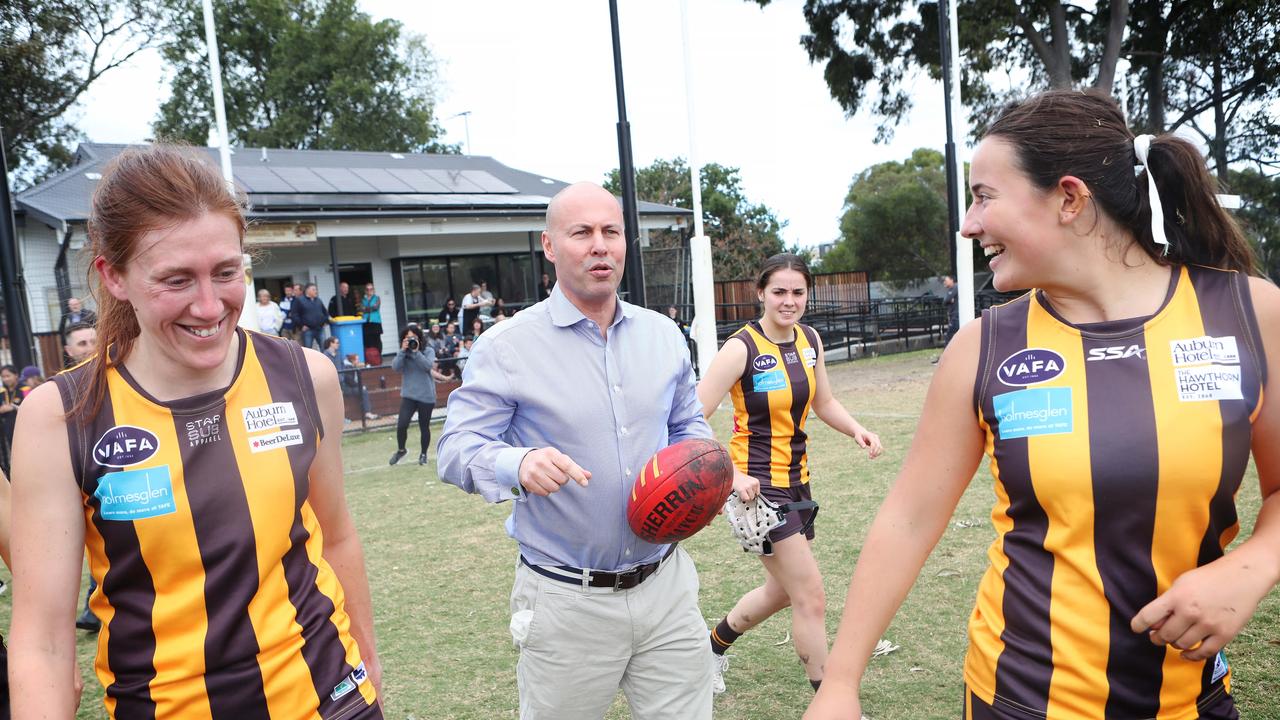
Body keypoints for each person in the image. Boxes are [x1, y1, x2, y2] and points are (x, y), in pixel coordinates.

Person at [807, 90, 1280, 720]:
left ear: (1068, 197)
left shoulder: (1251, 313)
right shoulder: (982, 346)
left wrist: (1253, 566)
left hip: (1191, 702)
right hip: (1019, 700)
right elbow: (909, 519)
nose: (969, 224)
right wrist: (840, 683)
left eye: (983, 196)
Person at [8, 144, 383, 719]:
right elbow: (45, 640)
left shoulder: (306, 377)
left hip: (329, 701)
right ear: (114, 275)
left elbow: (335, 538)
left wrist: (369, 670)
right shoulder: (62, 417)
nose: (209, 307)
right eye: (176, 280)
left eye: (226, 273)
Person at [438, 182, 732, 719]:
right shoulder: (506, 347)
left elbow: (688, 425)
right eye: (582, 233)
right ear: (550, 246)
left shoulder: (664, 336)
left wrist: (705, 479)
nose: (600, 245)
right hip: (566, 600)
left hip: (665, 587)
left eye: (611, 232)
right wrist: (518, 463)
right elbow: (456, 448)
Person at [697, 253, 883, 696]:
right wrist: (733, 474)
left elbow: (824, 403)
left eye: (797, 292)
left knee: (782, 592)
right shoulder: (741, 347)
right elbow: (693, 417)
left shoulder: (810, 340)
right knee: (810, 596)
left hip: (799, 481)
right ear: (760, 293)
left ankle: (709, 650)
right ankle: (829, 700)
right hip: (757, 490)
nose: (789, 301)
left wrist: (856, 428)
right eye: (779, 291)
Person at [389, 325, 449, 466]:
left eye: (413, 338)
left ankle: (423, 454)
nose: (411, 341)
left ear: (419, 337)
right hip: (409, 395)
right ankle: (401, 450)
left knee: (424, 426)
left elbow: (427, 366)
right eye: (408, 338)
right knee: (402, 424)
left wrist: (416, 353)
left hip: (426, 395)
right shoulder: (403, 354)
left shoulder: (428, 351)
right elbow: (395, 367)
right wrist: (403, 351)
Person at [323, 337, 377, 422]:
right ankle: (339, 419)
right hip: (331, 384)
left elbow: (343, 368)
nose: (338, 344)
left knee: (363, 390)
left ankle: (367, 413)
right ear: (331, 343)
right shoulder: (325, 355)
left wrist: (343, 376)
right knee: (335, 400)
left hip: (343, 383)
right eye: (337, 343)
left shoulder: (339, 354)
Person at [292, 282, 329, 350]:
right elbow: (294, 315)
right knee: (308, 350)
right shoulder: (299, 300)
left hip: (320, 329)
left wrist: (326, 321)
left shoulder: (318, 300)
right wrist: (301, 325)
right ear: (307, 290)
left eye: (316, 289)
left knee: (324, 348)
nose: (316, 291)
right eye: (314, 289)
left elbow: (325, 312)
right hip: (308, 330)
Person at [0, 366, 19, 475]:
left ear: (15, 375)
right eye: (3, 377)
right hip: (6, 429)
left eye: (8, 376)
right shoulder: (2, 392)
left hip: (22, 426)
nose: (5, 379)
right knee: (10, 455)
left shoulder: (24, 388)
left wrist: (13, 407)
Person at [361, 282, 383, 353]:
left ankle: (378, 356)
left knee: (377, 341)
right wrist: (370, 308)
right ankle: (370, 358)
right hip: (366, 322)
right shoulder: (363, 300)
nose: (369, 291)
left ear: (374, 290)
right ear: (365, 290)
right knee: (367, 341)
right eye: (367, 289)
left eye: (371, 289)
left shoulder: (377, 298)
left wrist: (366, 309)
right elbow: (361, 309)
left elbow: (376, 307)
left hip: (375, 322)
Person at [942, 275, 960, 342]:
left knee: (949, 335)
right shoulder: (950, 289)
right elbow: (945, 301)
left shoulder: (955, 287)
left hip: (956, 315)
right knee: (952, 334)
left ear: (951, 280)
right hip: (953, 315)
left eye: (946, 281)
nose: (944, 282)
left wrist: (949, 300)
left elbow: (947, 300)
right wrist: (949, 300)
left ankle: (947, 350)